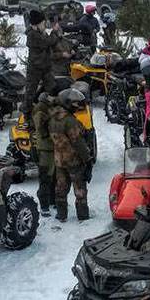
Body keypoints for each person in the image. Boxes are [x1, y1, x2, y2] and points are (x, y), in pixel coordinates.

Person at [49, 88, 92, 222]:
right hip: (74, 160)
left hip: (59, 160)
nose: (77, 106)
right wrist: (88, 159)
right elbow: (78, 142)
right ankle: (83, 215)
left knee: (61, 188)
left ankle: (61, 214)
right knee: (80, 189)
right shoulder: (70, 121)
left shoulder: (52, 118)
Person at [24, 10, 58, 112]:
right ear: (37, 24)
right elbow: (48, 42)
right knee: (30, 91)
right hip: (35, 68)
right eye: (43, 23)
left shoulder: (40, 33)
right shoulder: (32, 35)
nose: (44, 25)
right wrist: (54, 32)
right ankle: (27, 113)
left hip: (45, 67)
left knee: (51, 87)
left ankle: (51, 107)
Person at [31, 92, 57, 215]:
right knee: (45, 178)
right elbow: (42, 130)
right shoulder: (41, 109)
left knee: (51, 177)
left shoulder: (45, 108)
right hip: (45, 149)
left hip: (48, 148)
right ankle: (44, 205)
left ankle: (51, 201)